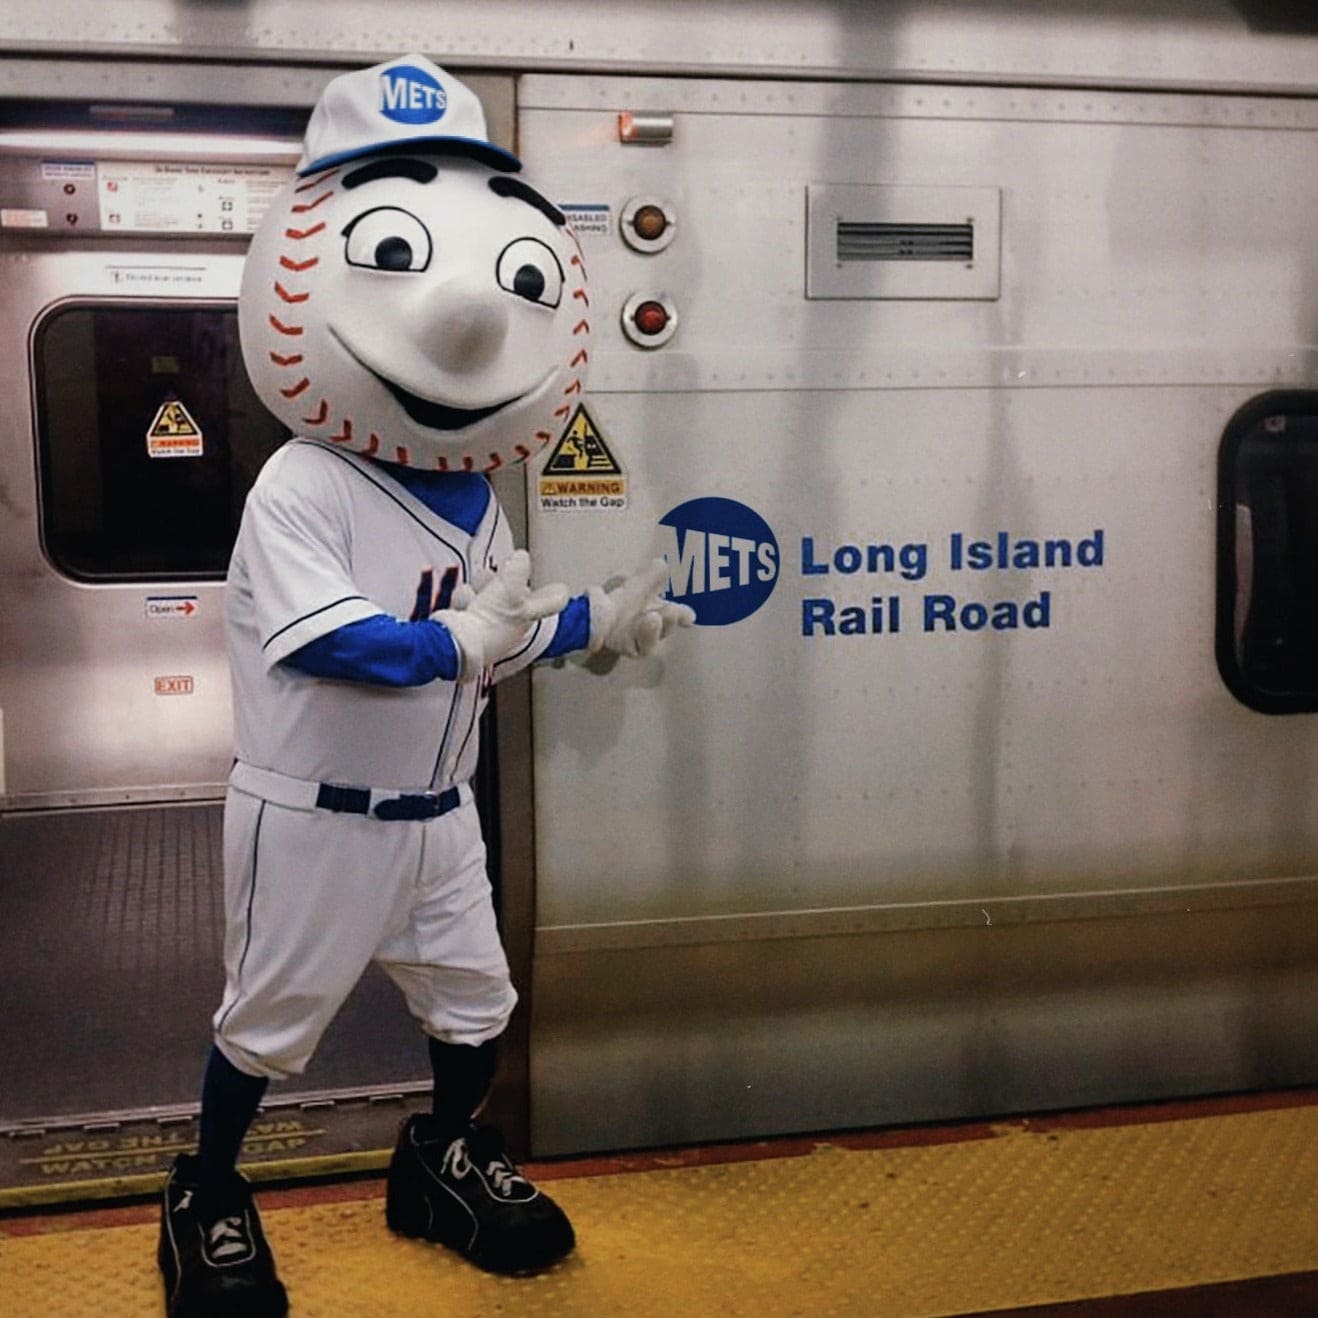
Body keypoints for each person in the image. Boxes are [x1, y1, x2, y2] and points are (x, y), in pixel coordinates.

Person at [157, 55, 692, 1318]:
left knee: (478, 1006)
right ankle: (208, 1189)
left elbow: (488, 625)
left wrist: (588, 622)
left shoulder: (475, 494)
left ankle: (440, 1154)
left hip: (438, 815)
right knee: (265, 1024)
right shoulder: (301, 483)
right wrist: (466, 642)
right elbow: (330, 637)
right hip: (316, 813)